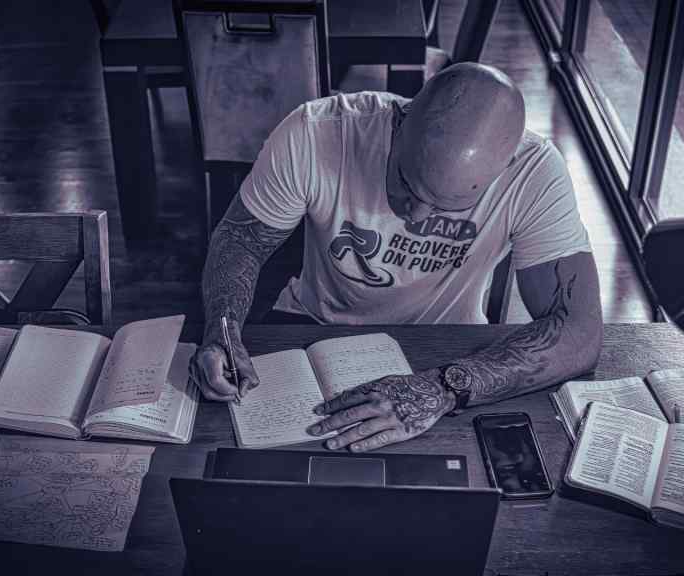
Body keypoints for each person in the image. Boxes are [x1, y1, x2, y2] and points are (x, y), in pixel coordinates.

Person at [192, 62, 603, 452]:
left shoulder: (535, 172)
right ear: (399, 121)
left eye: (449, 207)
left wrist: (443, 387)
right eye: (408, 182)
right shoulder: (316, 132)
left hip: (448, 347)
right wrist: (221, 330)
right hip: (314, 323)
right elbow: (242, 239)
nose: (415, 215)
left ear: (503, 169)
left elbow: (580, 333)